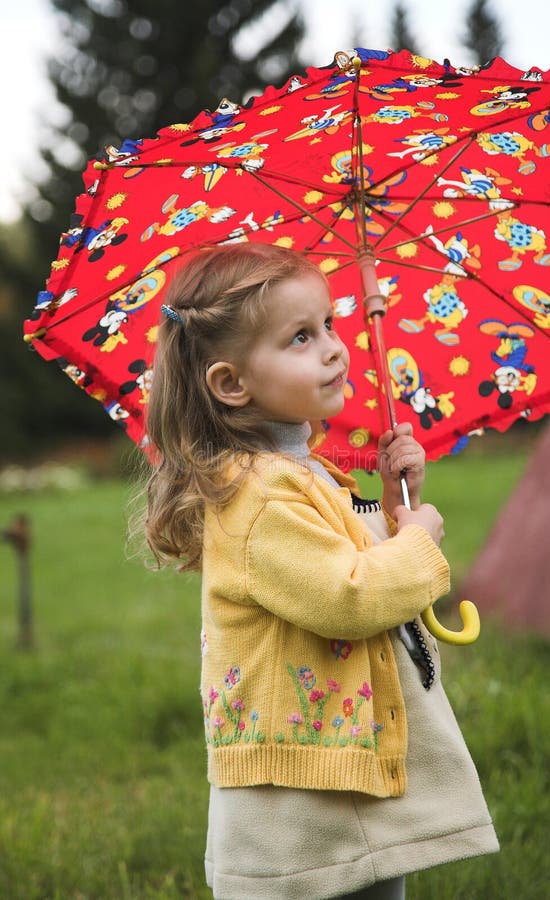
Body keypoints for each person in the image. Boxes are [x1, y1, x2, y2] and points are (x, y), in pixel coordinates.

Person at [143, 243, 498, 900]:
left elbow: (343, 561)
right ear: (231, 383)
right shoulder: (258, 497)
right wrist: (420, 545)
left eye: (332, 325)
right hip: (303, 805)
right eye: (301, 336)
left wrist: (396, 511)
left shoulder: (298, 474)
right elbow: (349, 596)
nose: (335, 348)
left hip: (341, 773)